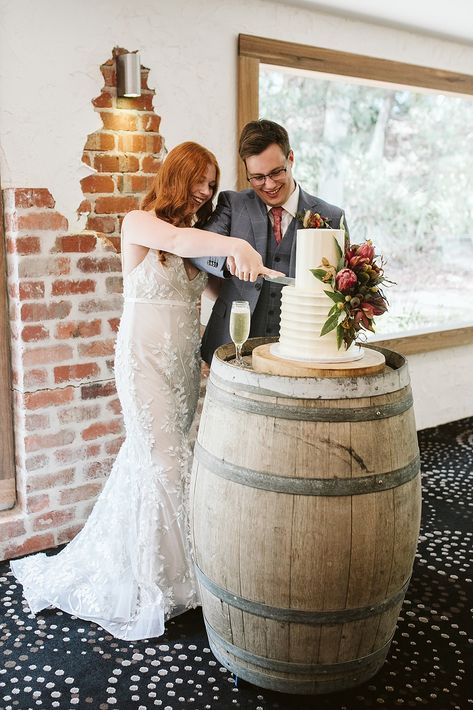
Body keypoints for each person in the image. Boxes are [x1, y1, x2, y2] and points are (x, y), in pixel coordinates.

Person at [10, 141, 282, 641]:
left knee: (157, 462)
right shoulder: (139, 223)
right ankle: (167, 581)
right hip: (141, 364)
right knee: (165, 463)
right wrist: (235, 245)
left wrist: (255, 269)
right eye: (199, 180)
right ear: (176, 176)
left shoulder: (198, 241)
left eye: (210, 184)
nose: (204, 192)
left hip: (180, 369)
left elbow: (216, 292)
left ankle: (157, 566)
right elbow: (179, 241)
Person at [192, 119, 348, 364]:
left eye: (277, 172)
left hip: (301, 347)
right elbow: (198, 249)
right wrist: (227, 259)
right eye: (257, 177)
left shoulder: (331, 216)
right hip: (231, 341)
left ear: (291, 158)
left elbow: (344, 287)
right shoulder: (233, 204)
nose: (270, 184)